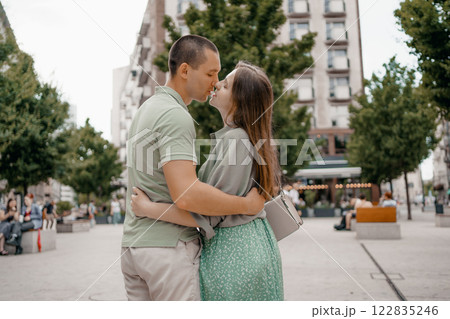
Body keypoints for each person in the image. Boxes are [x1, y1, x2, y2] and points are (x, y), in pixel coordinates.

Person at [121, 35, 265, 301]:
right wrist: (247, 205)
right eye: (211, 73)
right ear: (185, 70)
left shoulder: (146, 110)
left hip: (135, 246)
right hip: (168, 251)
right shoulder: (176, 116)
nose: (215, 82)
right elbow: (187, 194)